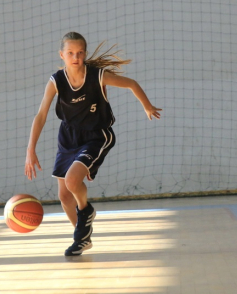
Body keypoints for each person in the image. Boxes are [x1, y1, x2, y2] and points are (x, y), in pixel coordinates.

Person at [24, 32, 162, 256]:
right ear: (62, 55)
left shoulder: (97, 76)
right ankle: (82, 238)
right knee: (64, 195)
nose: (75, 57)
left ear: (85, 54)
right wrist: (31, 149)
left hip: (96, 136)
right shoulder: (56, 81)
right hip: (68, 138)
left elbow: (131, 84)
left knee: (72, 180)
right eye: (70, 53)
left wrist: (147, 106)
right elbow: (40, 115)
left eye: (79, 53)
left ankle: (86, 211)